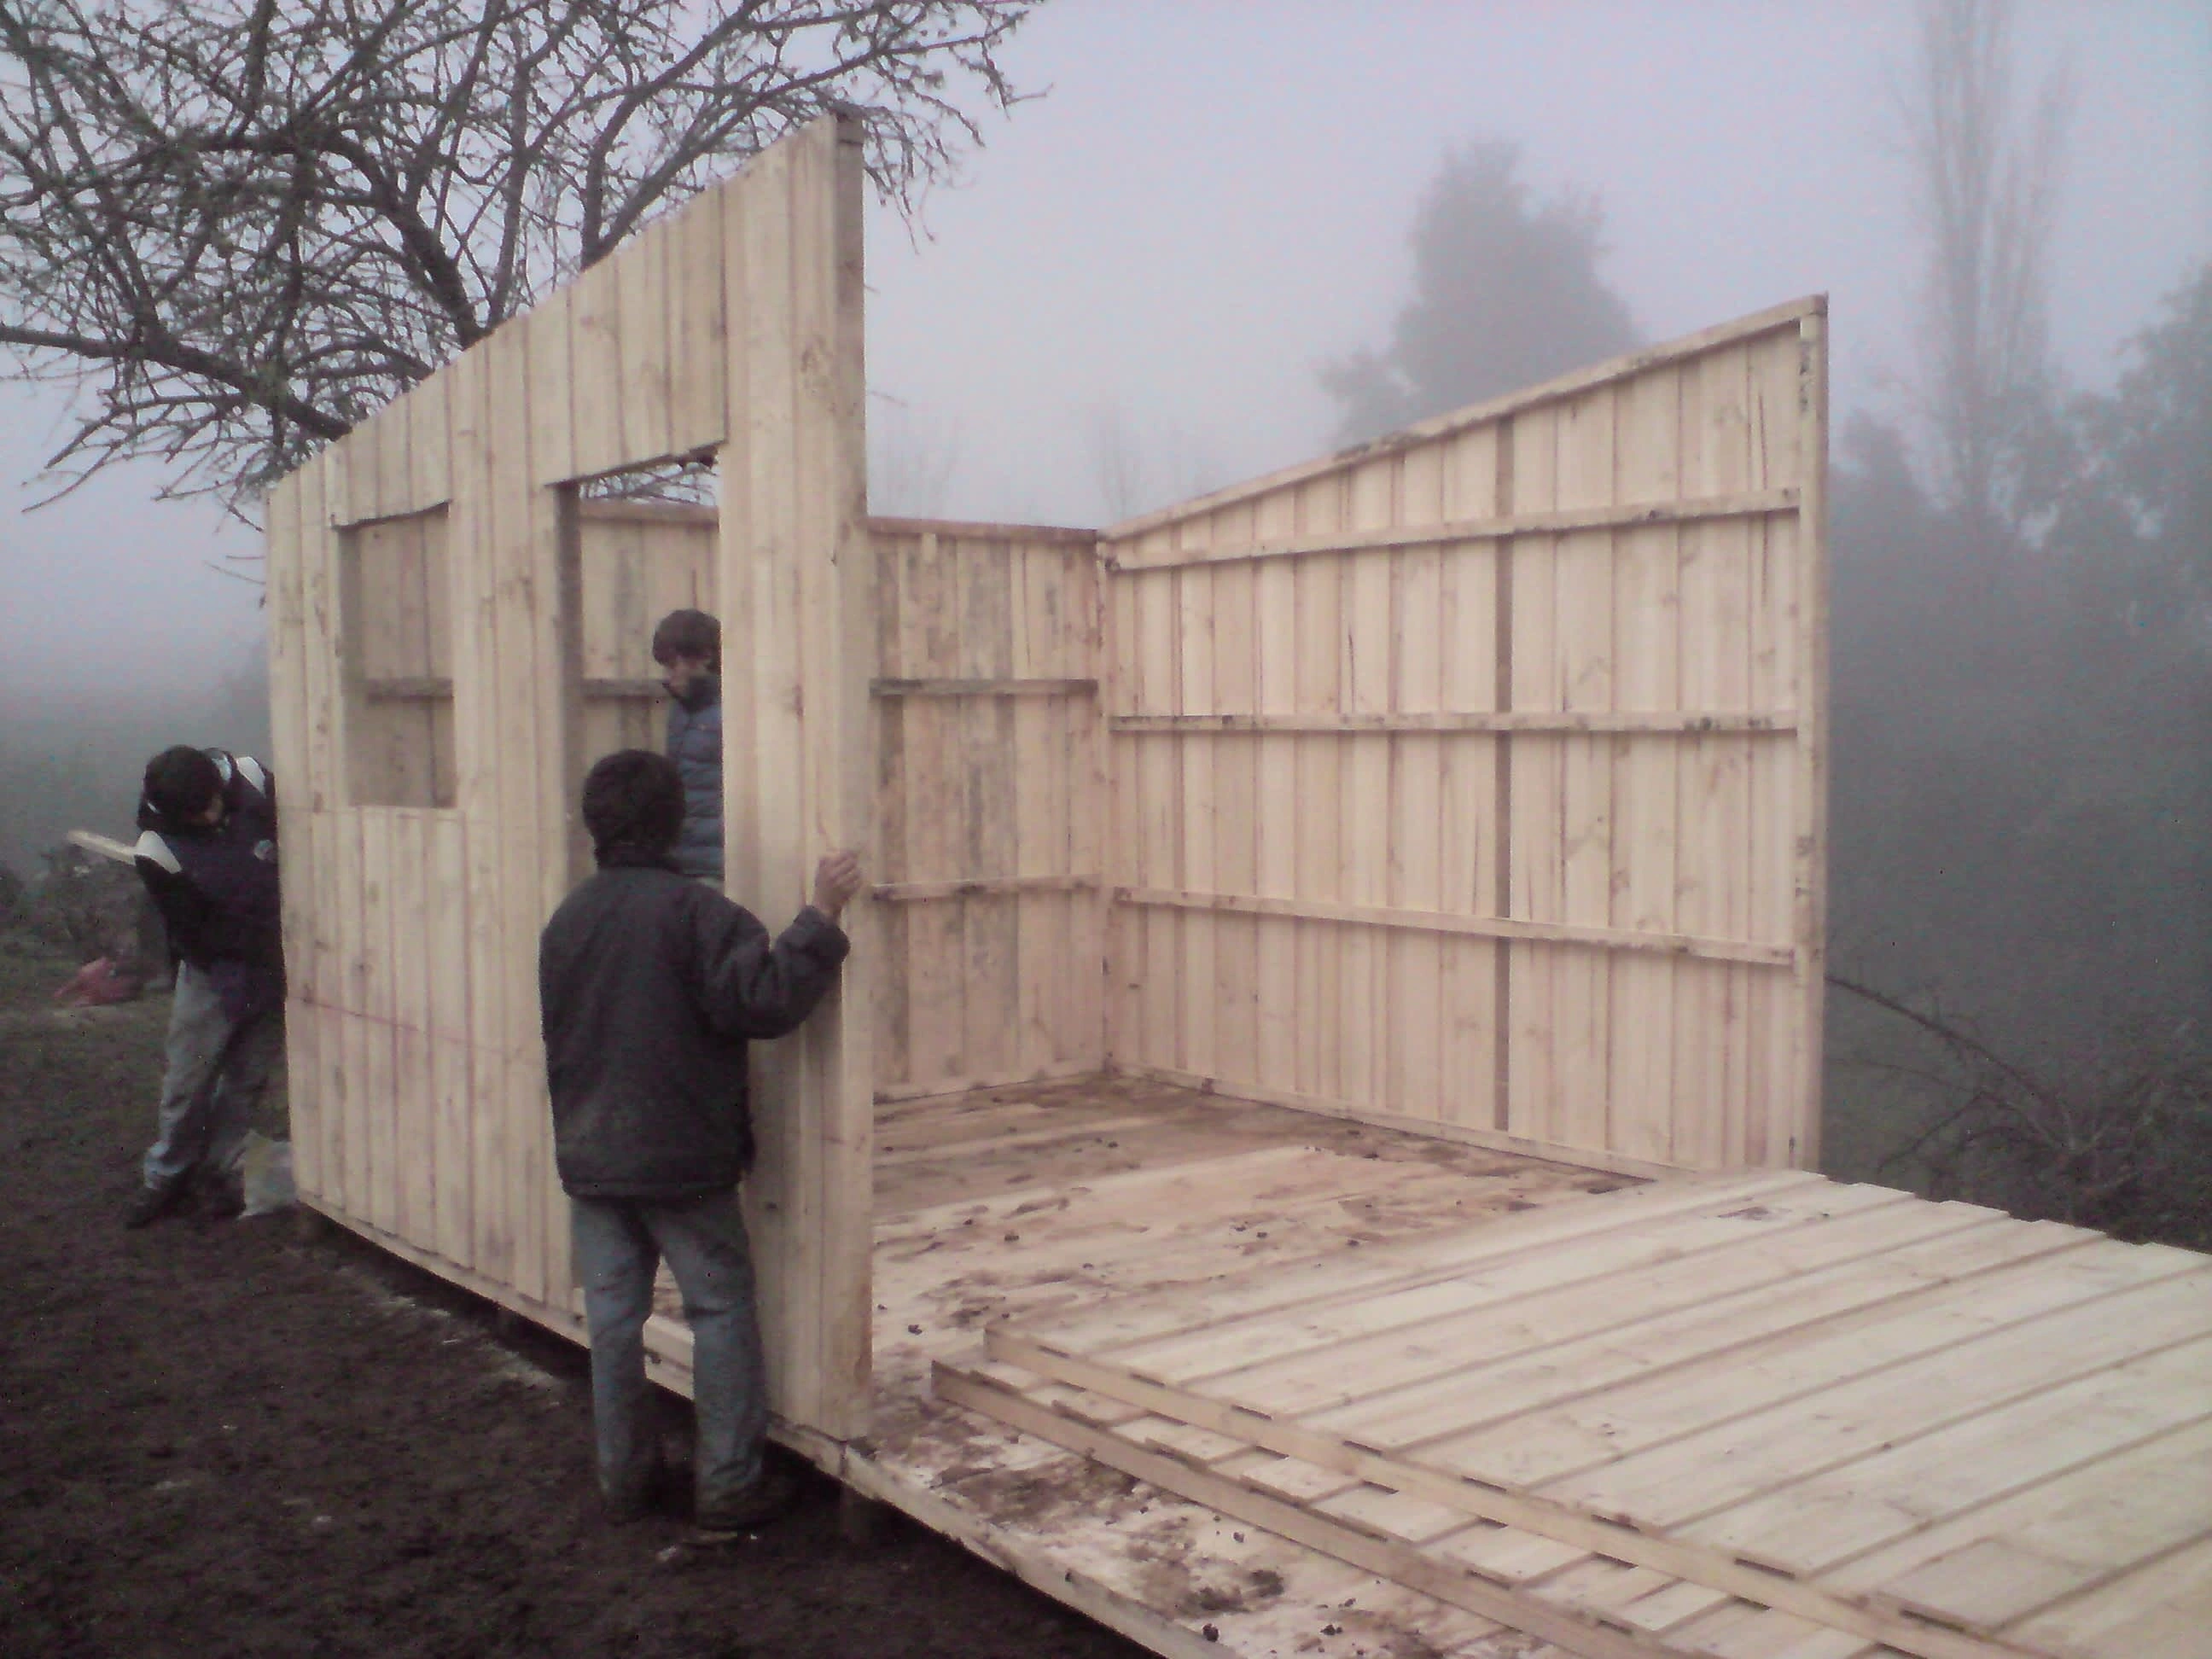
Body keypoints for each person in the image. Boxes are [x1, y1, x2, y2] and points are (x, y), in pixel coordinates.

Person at [538, 748, 864, 1537]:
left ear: (597, 828)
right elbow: (765, 1000)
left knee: (613, 1320)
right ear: (675, 824)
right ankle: (727, 1488)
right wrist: (821, 915)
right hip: (680, 1157)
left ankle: (626, 1480)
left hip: (592, 1155)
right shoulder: (697, 915)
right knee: (717, 1309)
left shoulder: (568, 920)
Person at [125, 746, 284, 1229]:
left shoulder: (253, 779)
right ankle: (167, 1175)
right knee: (188, 1081)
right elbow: (194, 932)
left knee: (246, 1078)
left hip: (274, 965)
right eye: (197, 816)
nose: (212, 817)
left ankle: (217, 1169)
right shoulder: (157, 850)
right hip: (214, 971)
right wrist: (261, 943)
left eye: (213, 804)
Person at [651, 608, 724, 888]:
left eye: (672, 666)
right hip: (683, 860)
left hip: (715, 866)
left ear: (704, 657)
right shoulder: (682, 710)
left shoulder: (728, 712)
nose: (668, 677)